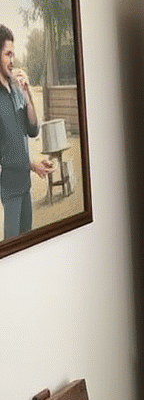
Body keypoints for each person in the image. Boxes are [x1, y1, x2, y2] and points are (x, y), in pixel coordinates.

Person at [0, 23, 54, 240]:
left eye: (13, 54)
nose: (13, 60)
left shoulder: (15, 89)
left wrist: (26, 93)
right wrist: (33, 165)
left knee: (28, 241)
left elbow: (32, 129)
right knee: (12, 246)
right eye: (7, 54)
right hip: (10, 189)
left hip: (25, 185)